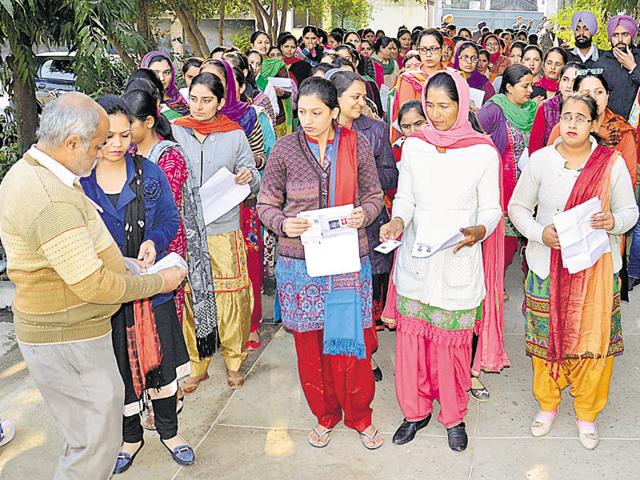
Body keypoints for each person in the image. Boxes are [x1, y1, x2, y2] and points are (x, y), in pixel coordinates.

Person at [0, 92, 187, 479]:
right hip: (69, 336)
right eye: (100, 143)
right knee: (93, 449)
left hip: (68, 330)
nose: (107, 150)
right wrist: (157, 281)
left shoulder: (40, 172)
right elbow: (93, 284)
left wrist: (128, 264)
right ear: (72, 143)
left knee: (86, 438)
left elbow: (84, 255)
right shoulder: (51, 198)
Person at [258, 76, 385, 450]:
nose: (308, 120)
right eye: (302, 112)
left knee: (350, 342)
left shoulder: (356, 144)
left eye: (316, 112)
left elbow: (374, 194)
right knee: (311, 346)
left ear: (334, 112)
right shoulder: (285, 150)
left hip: (347, 259)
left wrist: (365, 214)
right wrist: (283, 223)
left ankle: (360, 416)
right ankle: (325, 415)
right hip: (300, 265)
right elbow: (266, 203)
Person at [380, 70, 504, 452]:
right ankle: (415, 411)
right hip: (418, 257)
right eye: (429, 105)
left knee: (451, 345)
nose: (435, 114)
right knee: (413, 342)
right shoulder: (415, 145)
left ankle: (453, 415)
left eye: (444, 106)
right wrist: (398, 220)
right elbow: (407, 198)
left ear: (462, 105)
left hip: (457, 256)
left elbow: (492, 209)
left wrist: (478, 231)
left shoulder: (482, 151)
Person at [508, 93, 638, 450]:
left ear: (594, 124)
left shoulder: (610, 164)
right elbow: (518, 206)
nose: (572, 124)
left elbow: (631, 212)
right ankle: (548, 405)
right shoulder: (540, 161)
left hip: (595, 271)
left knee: (593, 345)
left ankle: (586, 413)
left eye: (581, 118)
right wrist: (539, 233)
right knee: (545, 339)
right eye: (567, 116)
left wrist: (614, 221)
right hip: (545, 266)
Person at [80, 95, 193, 472]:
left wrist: (153, 242)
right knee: (118, 371)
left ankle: (170, 432)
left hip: (150, 289)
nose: (116, 145)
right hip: (106, 295)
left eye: (124, 136)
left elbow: (169, 220)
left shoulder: (148, 173)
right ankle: (130, 437)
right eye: (108, 136)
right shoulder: (80, 182)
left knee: (159, 364)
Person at [172, 73, 260, 390]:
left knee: (232, 297)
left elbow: (254, 180)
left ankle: (234, 361)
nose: (198, 106)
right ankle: (198, 363)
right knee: (194, 296)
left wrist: (247, 177)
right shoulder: (176, 131)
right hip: (188, 230)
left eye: (207, 100)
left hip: (224, 228)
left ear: (221, 102)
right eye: (194, 99)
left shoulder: (234, 135)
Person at [123, 89, 218, 374]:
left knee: (163, 319)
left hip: (164, 247)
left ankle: (166, 381)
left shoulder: (169, 156)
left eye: (130, 125)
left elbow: (163, 208)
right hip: (131, 248)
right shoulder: (125, 153)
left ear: (149, 122)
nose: (124, 133)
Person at [332, 71, 398, 335]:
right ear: (335, 98)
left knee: (365, 286)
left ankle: (366, 352)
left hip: (367, 219)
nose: (361, 103)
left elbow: (391, 173)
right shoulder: (319, 128)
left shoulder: (376, 129)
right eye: (355, 97)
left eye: (363, 97)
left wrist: (358, 180)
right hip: (332, 221)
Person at [477, 64, 538, 279]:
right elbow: (475, 135)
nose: (530, 90)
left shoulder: (532, 110)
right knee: (505, 238)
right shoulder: (494, 109)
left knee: (529, 234)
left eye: (532, 85)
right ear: (509, 87)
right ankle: (493, 280)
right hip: (503, 183)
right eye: (525, 86)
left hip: (529, 183)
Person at [547, 72, 639, 188]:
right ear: (576, 96)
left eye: (599, 92)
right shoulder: (563, 129)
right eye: (586, 93)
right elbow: (548, 170)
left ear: (607, 95)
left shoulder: (622, 131)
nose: (594, 98)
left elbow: (629, 179)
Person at [390, 28, 445, 142]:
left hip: (450, 137)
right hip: (419, 139)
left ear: (442, 49)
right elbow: (407, 117)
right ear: (418, 50)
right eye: (424, 49)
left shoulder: (453, 77)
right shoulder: (409, 79)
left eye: (434, 49)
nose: (428, 54)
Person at [529, 62, 581, 154]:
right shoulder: (546, 107)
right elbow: (535, 147)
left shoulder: (587, 108)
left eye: (574, 81)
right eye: (565, 79)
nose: (569, 85)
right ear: (559, 81)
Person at [595, 15, 640, 121]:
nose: (620, 40)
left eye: (625, 34)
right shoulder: (601, 63)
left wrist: (633, 67)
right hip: (608, 128)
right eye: (615, 35)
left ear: (632, 36)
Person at [141, 51, 190, 118]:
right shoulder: (140, 104)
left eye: (166, 72)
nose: (162, 78)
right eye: (155, 73)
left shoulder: (183, 97)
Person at [454, 41, 496, 106]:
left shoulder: (483, 82)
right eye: (465, 57)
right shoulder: (450, 78)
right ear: (457, 58)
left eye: (474, 58)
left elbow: (492, 107)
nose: (469, 62)